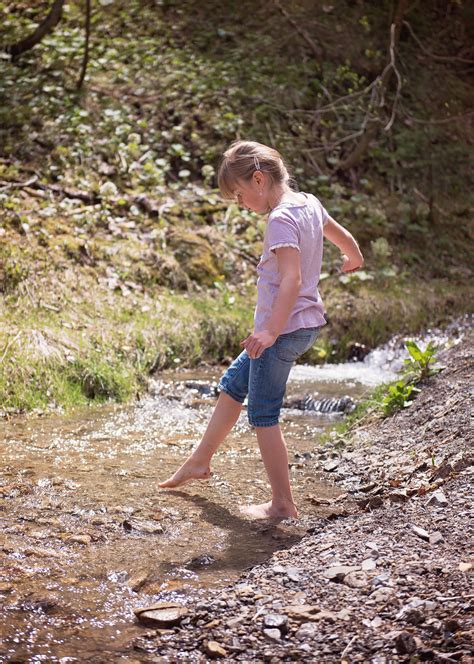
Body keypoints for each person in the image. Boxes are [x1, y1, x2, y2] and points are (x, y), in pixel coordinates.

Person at [159, 140, 364, 519]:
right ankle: (199, 461)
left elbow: (291, 279)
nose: (239, 203)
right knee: (234, 384)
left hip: (282, 331)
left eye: (239, 195)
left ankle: (283, 503)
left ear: (258, 180)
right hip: (302, 325)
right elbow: (343, 237)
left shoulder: (281, 219)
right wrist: (353, 256)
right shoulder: (310, 203)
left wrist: (269, 332)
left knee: (264, 415)